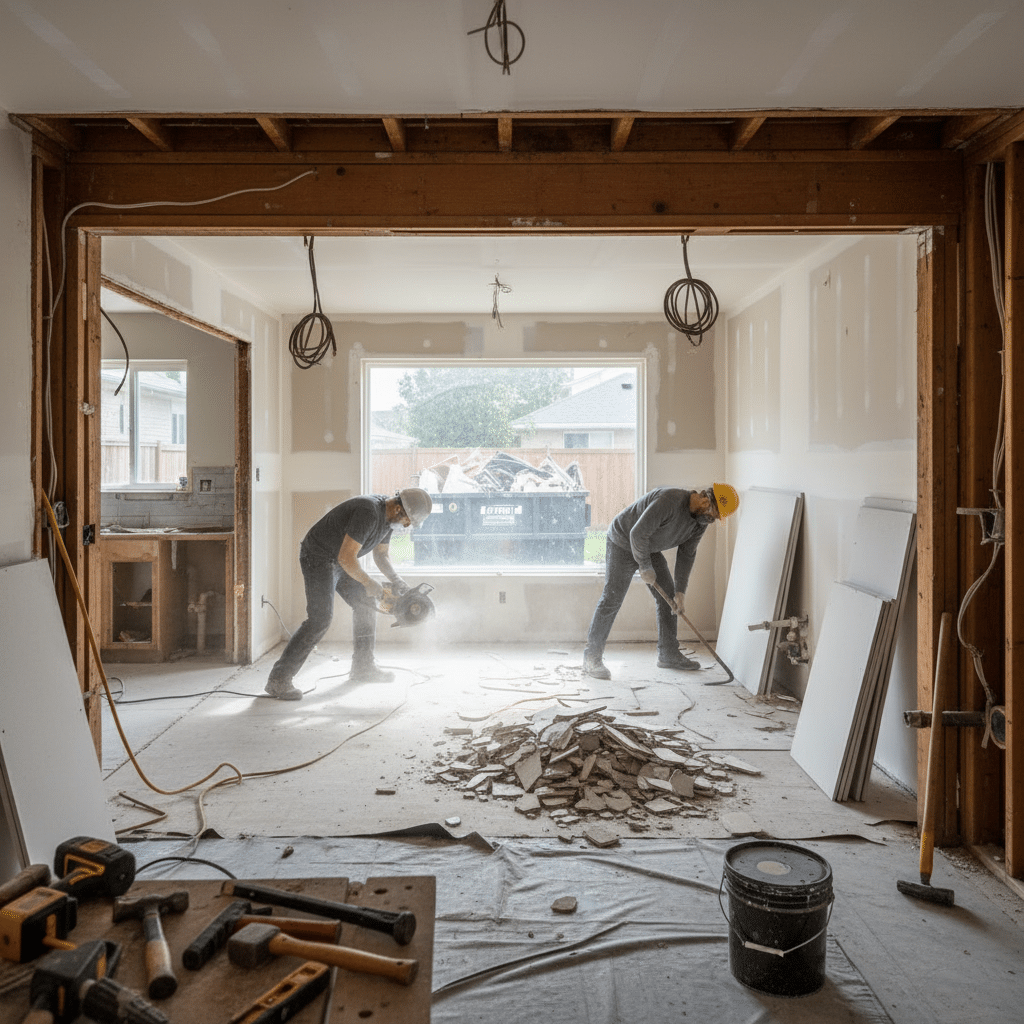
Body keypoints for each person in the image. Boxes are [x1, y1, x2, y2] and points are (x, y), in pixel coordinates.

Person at [265, 487, 434, 700]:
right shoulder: (368, 512)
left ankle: (363, 668)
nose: (407, 526)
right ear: (399, 509)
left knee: (365, 603)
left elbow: (381, 555)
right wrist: (369, 582)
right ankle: (278, 680)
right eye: (408, 521)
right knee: (320, 619)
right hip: (318, 557)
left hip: (339, 560)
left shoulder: (389, 519)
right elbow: (347, 558)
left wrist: (397, 581)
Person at [582, 483, 739, 680]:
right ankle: (591, 658)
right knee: (612, 598)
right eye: (713, 515)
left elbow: (686, 555)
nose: (711, 520)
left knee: (669, 598)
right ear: (706, 500)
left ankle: (668, 654)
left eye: (715, 519)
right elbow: (636, 534)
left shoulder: (700, 523)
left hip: (648, 546)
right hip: (622, 541)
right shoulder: (669, 500)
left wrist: (681, 592)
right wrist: (645, 566)